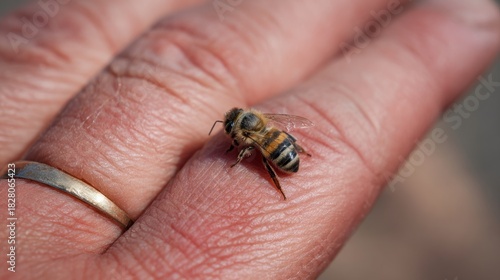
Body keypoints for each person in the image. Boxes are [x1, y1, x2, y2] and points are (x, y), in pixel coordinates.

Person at [1, 0, 499, 278]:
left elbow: (253, 147)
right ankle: (431, 220)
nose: (237, 135)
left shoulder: (245, 141)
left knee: (429, 219)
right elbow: (273, 134)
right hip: (306, 153)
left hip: (289, 160)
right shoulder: (264, 127)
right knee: (435, 221)